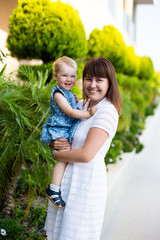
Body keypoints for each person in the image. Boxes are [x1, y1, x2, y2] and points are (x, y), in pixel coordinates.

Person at [44, 57, 122, 240]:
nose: (92, 84)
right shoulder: (81, 105)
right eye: (88, 78)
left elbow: (87, 154)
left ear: (110, 83)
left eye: (99, 80)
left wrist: (56, 154)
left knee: (74, 234)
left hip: (85, 184)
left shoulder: (107, 111)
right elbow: (62, 130)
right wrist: (54, 143)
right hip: (64, 183)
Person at [40, 56, 97, 208]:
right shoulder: (58, 94)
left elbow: (71, 105)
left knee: (66, 157)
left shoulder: (68, 93)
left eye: (72, 76)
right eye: (64, 75)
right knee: (63, 158)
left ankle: (57, 187)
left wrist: (74, 98)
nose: (69, 79)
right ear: (55, 76)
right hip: (59, 130)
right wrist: (89, 114)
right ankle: (53, 189)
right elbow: (70, 112)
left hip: (64, 129)